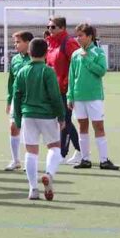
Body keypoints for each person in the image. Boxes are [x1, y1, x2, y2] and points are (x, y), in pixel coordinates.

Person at [12, 38, 66, 200]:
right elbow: (55, 96)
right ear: (46, 52)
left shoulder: (22, 71)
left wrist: (17, 117)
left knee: (31, 152)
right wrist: (61, 115)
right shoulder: (47, 71)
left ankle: (33, 189)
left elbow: (17, 96)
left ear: (29, 51)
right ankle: (49, 174)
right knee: (55, 147)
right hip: (47, 115)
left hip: (28, 115)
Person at [67, 23, 118, 170]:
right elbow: (72, 76)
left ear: (90, 36)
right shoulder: (75, 54)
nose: (78, 38)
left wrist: (87, 59)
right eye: (77, 35)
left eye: (81, 35)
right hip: (78, 96)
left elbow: (101, 71)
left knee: (98, 127)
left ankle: (104, 160)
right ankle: (85, 159)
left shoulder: (98, 52)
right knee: (82, 127)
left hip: (94, 96)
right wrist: (70, 95)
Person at [46, 16, 81, 164]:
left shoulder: (69, 43)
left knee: (64, 121)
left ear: (62, 28)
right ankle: (81, 151)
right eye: (48, 27)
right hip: (54, 89)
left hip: (65, 89)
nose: (49, 30)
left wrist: (69, 84)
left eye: (53, 27)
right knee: (63, 120)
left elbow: (77, 65)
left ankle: (62, 153)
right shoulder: (51, 44)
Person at [5, 31, 34, 171]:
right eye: (15, 42)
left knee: (29, 131)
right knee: (13, 127)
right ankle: (15, 160)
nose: (15, 45)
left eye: (18, 42)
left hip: (31, 100)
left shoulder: (37, 58)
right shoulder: (15, 59)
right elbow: (11, 81)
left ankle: (30, 160)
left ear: (28, 42)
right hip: (17, 99)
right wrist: (9, 100)